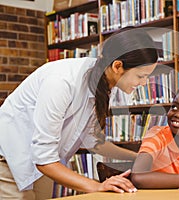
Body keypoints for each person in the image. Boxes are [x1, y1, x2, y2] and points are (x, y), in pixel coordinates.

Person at [0, 26, 159, 199]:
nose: (144, 83)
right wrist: (97, 186)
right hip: (10, 159)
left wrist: (138, 157)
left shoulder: (104, 83)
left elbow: (94, 142)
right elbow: (44, 159)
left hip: (41, 164)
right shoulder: (61, 82)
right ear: (117, 66)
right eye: (141, 76)